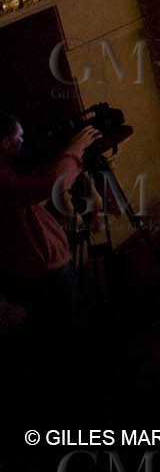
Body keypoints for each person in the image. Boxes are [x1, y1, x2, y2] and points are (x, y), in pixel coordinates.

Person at [0, 117, 99, 321]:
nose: (23, 142)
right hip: (40, 273)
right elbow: (53, 184)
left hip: (45, 267)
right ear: (5, 142)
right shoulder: (4, 180)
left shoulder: (10, 172)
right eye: (19, 136)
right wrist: (75, 149)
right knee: (66, 325)